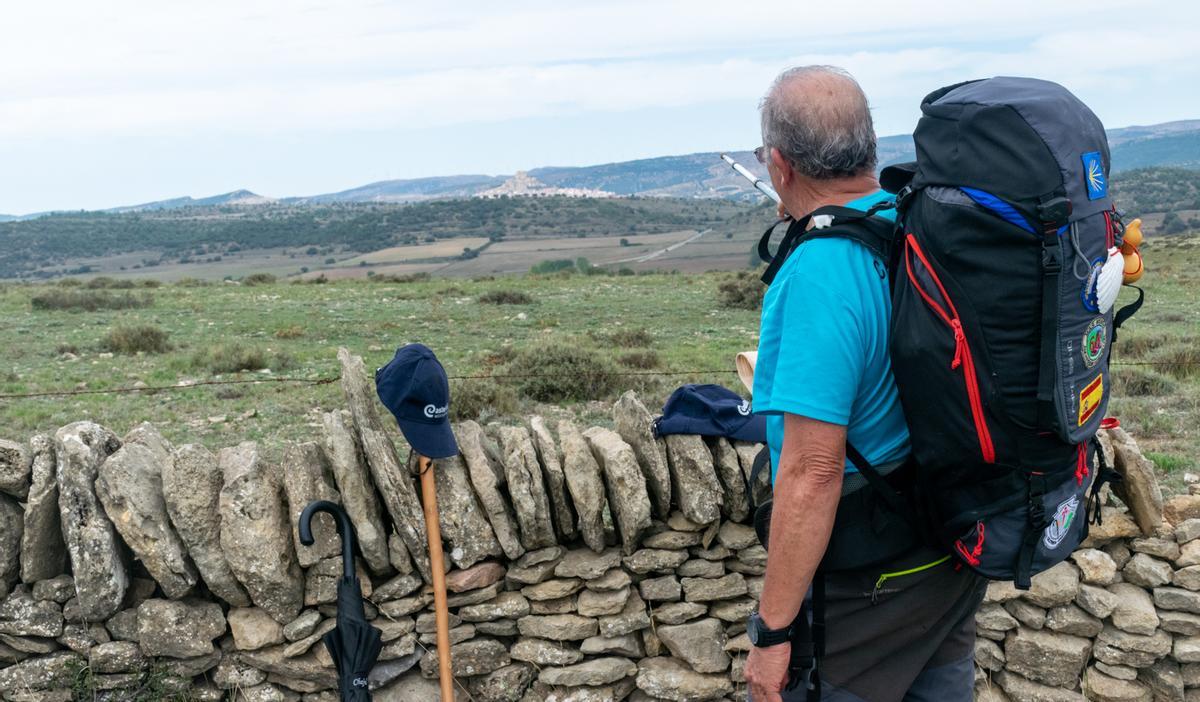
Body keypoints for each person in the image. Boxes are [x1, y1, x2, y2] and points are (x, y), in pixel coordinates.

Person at [742, 66, 986, 702]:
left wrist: (772, 633)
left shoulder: (819, 270)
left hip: (866, 584)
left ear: (779, 165)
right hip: (947, 549)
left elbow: (812, 472)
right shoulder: (916, 223)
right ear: (870, 147)